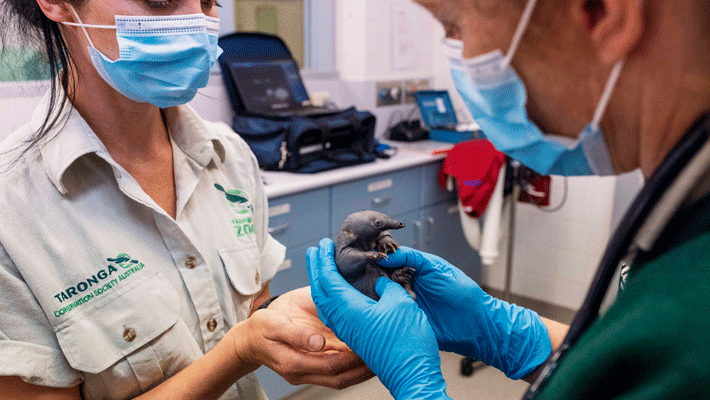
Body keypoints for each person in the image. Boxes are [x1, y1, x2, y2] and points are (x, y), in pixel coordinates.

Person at [307, 0, 710, 398]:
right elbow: (634, 368)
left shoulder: (694, 303)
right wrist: (504, 333)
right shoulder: (684, 215)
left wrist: (420, 392)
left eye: (454, 27)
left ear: (603, 12)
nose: (461, 56)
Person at [0, 0, 372, 399]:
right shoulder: (13, 211)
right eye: (161, 0)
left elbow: (254, 313)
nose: (196, 20)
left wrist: (304, 317)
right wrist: (239, 351)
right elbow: (243, 343)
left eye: (210, 1)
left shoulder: (228, 155)